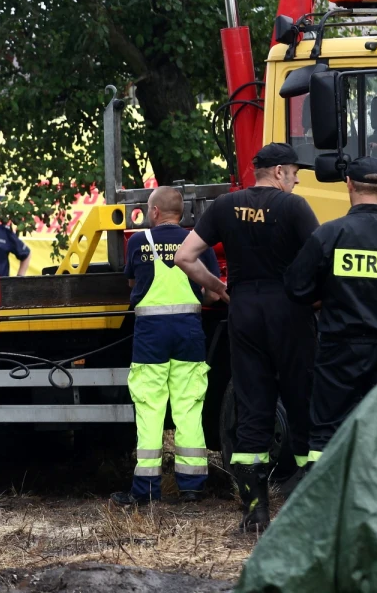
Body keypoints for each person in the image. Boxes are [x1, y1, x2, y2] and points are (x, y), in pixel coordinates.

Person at [175, 142, 319, 534]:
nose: (296, 179)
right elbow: (320, 257)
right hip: (288, 310)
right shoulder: (294, 207)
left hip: (244, 311)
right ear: (277, 173)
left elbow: (184, 257)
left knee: (253, 410)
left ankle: (255, 514)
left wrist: (218, 287)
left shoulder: (224, 206)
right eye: (293, 172)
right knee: (301, 401)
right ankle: (308, 510)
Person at [284, 156, 377, 466]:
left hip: (340, 351)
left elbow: (295, 288)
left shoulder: (329, 234)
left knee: (327, 431)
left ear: (348, 184)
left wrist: (327, 295)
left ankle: (325, 501)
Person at [111, 187, 220, 506]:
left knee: (150, 409)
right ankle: (192, 487)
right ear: (182, 213)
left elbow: (133, 285)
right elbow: (213, 291)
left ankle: (145, 490)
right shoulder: (197, 243)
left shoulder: (137, 242)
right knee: (188, 408)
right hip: (189, 335)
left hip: (150, 338)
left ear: (155, 212)